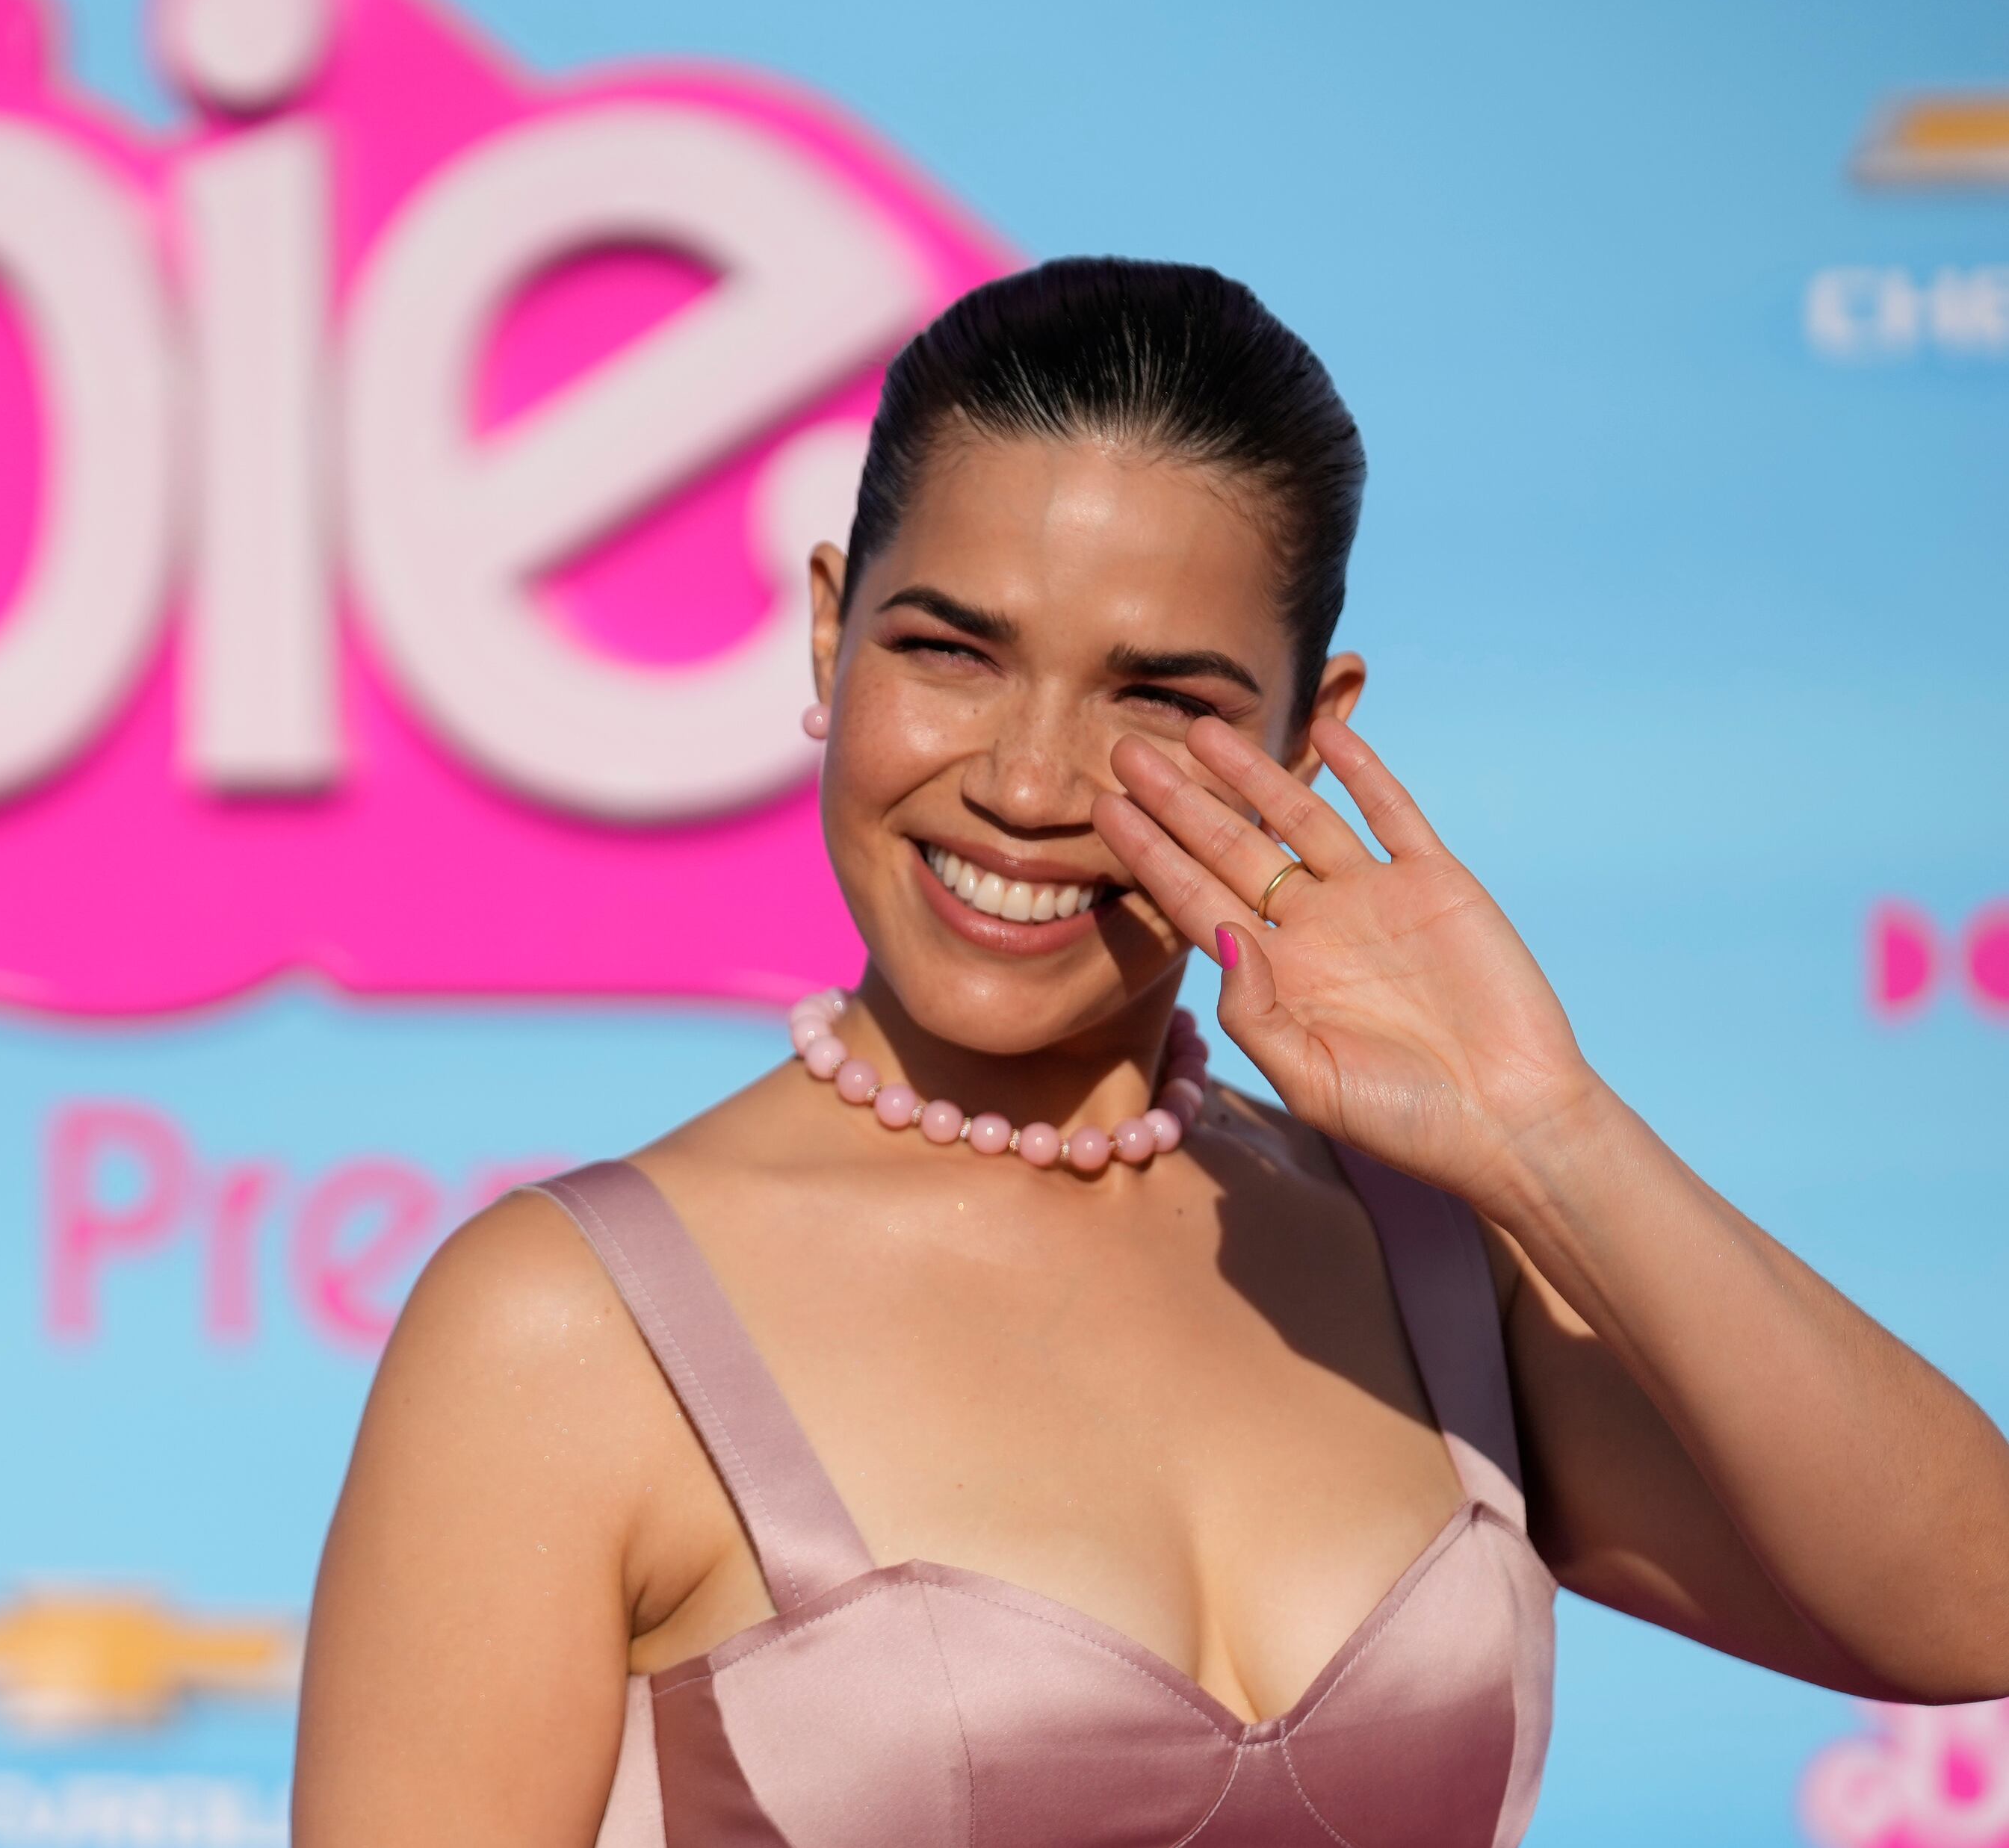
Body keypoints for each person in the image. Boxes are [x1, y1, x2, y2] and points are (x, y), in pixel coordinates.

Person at [291, 258, 2009, 1848]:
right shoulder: (569, 1330)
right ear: (829, 630)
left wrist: (1547, 1129)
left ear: (1307, 737)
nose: (1028, 784)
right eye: (949, 652)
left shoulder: (1422, 1259)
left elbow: (1973, 1610)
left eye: (1161, 701)